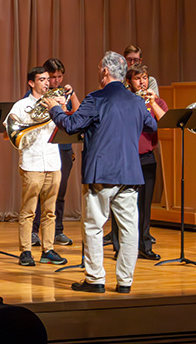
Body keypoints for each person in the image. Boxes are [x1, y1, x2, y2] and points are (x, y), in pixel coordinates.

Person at [45, 51, 156, 294]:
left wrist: (55, 109)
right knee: (129, 230)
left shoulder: (96, 98)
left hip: (101, 173)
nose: (98, 72)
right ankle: (125, 281)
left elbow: (72, 125)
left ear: (105, 71)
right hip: (130, 173)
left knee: (93, 227)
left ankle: (95, 279)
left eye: (99, 68)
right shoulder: (136, 101)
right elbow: (152, 124)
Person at [7, 66, 66, 267]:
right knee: (29, 210)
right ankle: (25, 251)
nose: (47, 82)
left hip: (52, 161)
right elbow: (11, 129)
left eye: (48, 79)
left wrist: (60, 109)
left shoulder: (54, 103)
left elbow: (64, 125)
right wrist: (33, 119)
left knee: (50, 211)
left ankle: (48, 250)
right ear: (31, 83)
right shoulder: (21, 106)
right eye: (42, 79)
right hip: (31, 161)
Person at [109, 65, 168, 260]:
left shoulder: (156, 101)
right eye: (137, 79)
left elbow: (165, 122)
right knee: (121, 203)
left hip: (147, 157)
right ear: (129, 82)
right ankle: (119, 247)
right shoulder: (124, 101)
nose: (142, 82)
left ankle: (144, 244)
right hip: (125, 158)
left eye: (144, 78)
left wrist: (152, 102)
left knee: (144, 205)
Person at [31, 58, 80, 248]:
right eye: (52, 77)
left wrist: (72, 95)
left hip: (63, 148)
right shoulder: (37, 94)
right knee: (39, 192)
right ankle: (34, 232)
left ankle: (58, 231)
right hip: (43, 147)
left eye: (59, 76)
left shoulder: (64, 93)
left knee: (60, 192)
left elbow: (78, 113)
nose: (56, 81)